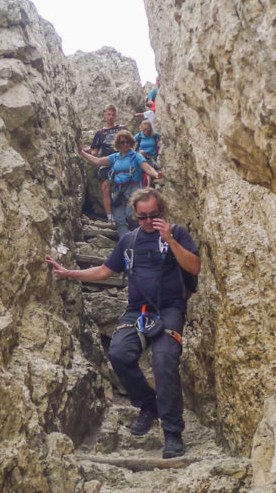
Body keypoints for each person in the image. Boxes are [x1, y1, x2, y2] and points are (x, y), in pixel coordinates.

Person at [45, 188, 201, 459]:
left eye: (154, 215)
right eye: (143, 217)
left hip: (170, 308)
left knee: (163, 361)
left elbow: (195, 267)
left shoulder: (178, 233)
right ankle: (148, 405)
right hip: (137, 312)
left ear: (162, 212)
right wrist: (69, 273)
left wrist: (171, 241)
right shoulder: (128, 241)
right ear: (135, 215)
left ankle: (172, 432)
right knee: (118, 353)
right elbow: (105, 270)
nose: (149, 221)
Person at [78, 130, 161, 239]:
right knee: (119, 219)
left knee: (130, 215)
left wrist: (156, 174)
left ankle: (138, 238)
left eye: (127, 142)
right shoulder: (115, 157)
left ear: (131, 143)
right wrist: (82, 152)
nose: (125, 144)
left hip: (133, 189)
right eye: (122, 142)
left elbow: (147, 168)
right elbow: (98, 161)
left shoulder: (136, 157)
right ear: (118, 144)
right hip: (118, 191)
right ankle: (125, 246)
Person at [87, 105, 127, 224]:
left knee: (123, 187)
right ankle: (109, 217)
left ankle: (125, 214)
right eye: (108, 114)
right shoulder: (100, 133)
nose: (110, 117)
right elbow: (94, 151)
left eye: (113, 114)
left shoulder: (122, 129)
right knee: (105, 188)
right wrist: (82, 150)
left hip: (122, 160)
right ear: (104, 114)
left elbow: (130, 144)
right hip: (106, 162)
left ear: (116, 115)